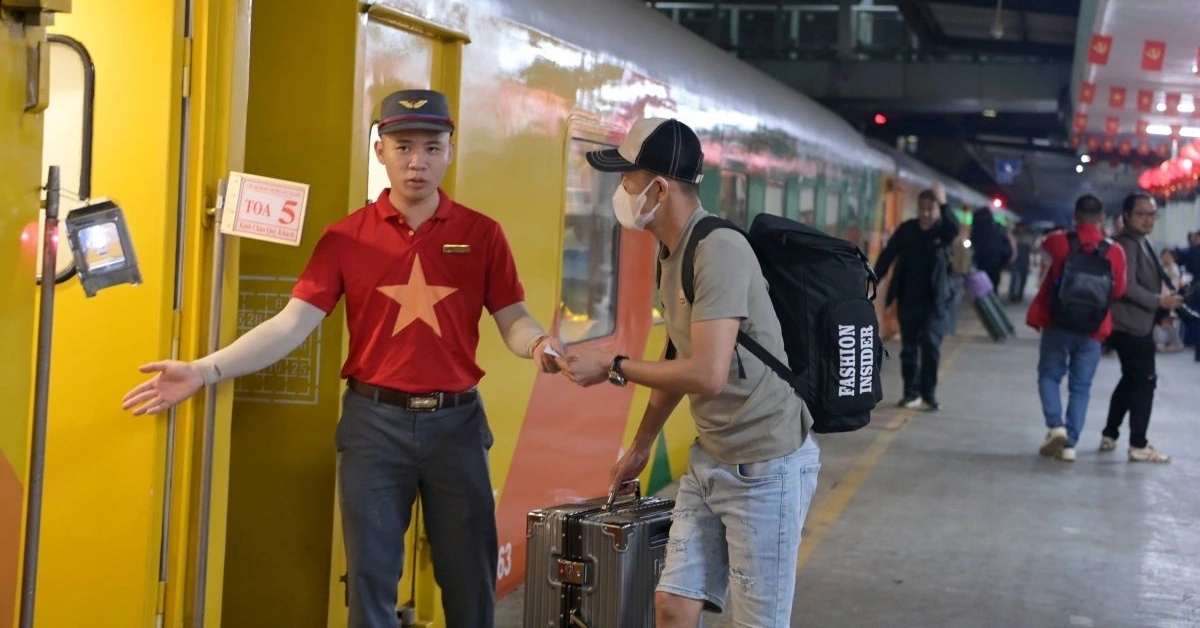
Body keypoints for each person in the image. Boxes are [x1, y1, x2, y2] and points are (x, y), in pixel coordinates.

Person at [122, 90, 564, 627]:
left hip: (457, 425)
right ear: (380, 151)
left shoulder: (481, 235)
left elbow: (512, 317)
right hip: (373, 427)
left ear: (451, 149)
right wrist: (203, 370)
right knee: (370, 581)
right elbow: (291, 324)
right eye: (403, 146)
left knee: (469, 580)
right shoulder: (345, 238)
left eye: (431, 146)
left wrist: (539, 345)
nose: (417, 161)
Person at [556, 116, 820, 628]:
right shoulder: (672, 250)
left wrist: (613, 366)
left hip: (766, 465)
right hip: (712, 457)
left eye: (627, 179)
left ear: (658, 187)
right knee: (673, 608)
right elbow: (680, 351)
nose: (621, 190)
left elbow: (708, 374)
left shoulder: (717, 248)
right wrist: (641, 444)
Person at [1025, 195, 1127, 462]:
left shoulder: (1059, 242)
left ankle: (1055, 425)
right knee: (1080, 387)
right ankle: (1070, 444)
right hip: (1093, 328)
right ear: (1102, 217)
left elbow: (1044, 242)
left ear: (1075, 215)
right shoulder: (1115, 252)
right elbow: (1118, 291)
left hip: (1059, 323)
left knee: (1049, 376)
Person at [1100, 193, 1181, 463]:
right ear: (1126, 216)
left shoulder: (1142, 242)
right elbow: (1127, 287)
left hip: (1139, 322)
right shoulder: (1127, 245)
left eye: (1152, 214)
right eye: (1141, 214)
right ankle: (1138, 444)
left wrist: (1160, 314)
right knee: (1145, 382)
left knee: (1130, 379)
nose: (1148, 220)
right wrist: (1160, 301)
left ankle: (1110, 433)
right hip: (1129, 326)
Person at [874, 184, 959, 410]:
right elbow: (888, 254)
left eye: (931, 209)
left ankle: (928, 393)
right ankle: (910, 393)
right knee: (909, 348)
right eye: (922, 208)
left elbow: (954, 227)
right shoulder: (907, 230)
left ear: (937, 210)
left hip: (935, 301)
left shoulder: (943, 231)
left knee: (930, 346)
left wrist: (943, 202)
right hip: (908, 299)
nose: (925, 213)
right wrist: (874, 277)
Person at [970, 207, 1012, 292]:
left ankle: (984, 301)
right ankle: (992, 300)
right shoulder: (998, 229)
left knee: (982, 286)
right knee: (993, 285)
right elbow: (1006, 247)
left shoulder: (977, 229)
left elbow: (974, 244)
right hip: (996, 262)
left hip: (982, 261)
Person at [1008, 223, 1035, 303]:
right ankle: (1012, 295)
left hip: (1025, 260)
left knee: (1023, 279)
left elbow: (1033, 249)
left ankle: (1020, 295)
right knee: (1014, 278)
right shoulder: (1012, 235)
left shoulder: (1029, 237)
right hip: (1015, 260)